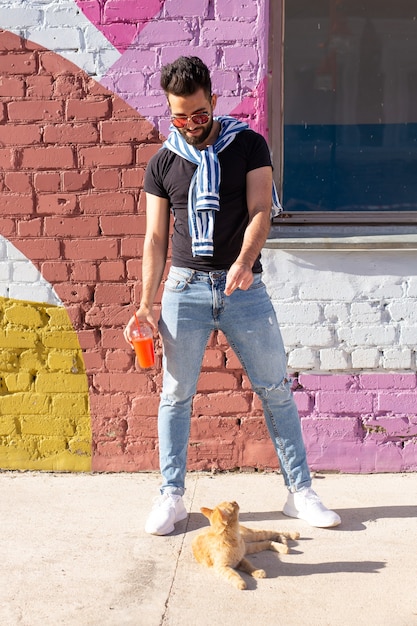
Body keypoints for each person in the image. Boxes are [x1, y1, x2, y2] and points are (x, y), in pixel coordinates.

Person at [124, 56, 341, 535]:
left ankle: (300, 492)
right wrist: (144, 302)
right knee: (176, 395)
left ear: (214, 103)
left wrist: (243, 261)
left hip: (244, 288)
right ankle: (172, 496)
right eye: (179, 118)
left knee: (275, 389)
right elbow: (155, 239)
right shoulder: (163, 161)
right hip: (185, 289)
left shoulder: (247, 144)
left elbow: (262, 209)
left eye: (199, 116)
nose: (191, 126)